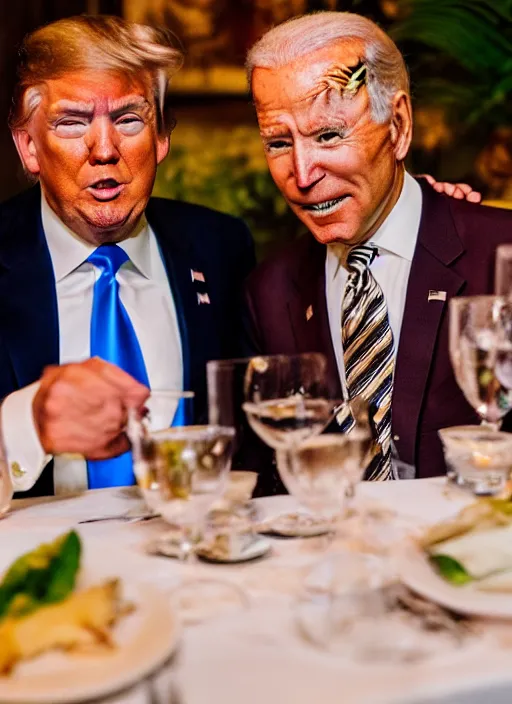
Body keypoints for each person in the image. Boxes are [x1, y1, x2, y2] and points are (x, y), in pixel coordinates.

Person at [243, 12, 512, 482]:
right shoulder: (269, 291)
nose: (302, 176)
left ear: (399, 126)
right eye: (279, 143)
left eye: (328, 134)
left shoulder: (501, 254)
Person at [0, 15, 255, 496]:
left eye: (128, 119)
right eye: (72, 123)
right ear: (29, 147)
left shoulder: (221, 247)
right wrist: (26, 426)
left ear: (161, 139)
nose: (104, 149)